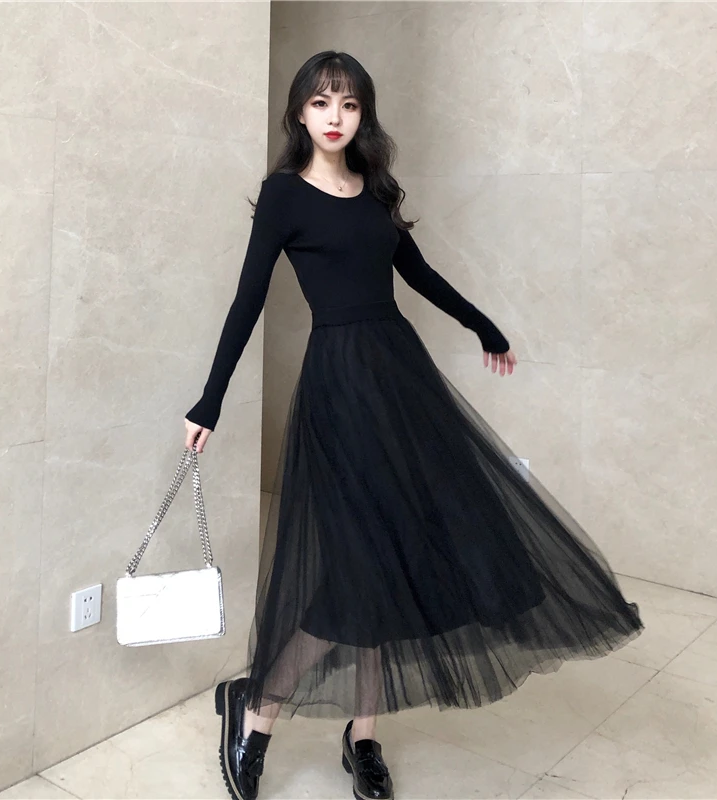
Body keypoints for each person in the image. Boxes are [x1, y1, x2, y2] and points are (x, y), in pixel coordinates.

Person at [184, 51, 644, 800]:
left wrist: (483, 324)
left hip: (399, 377)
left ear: (364, 114)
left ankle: (363, 736)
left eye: (349, 104)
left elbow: (417, 273)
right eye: (321, 102)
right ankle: (256, 708)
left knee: (399, 558)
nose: (335, 117)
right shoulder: (283, 195)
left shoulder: (375, 189)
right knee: (361, 567)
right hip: (339, 386)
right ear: (299, 113)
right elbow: (248, 300)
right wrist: (210, 401)